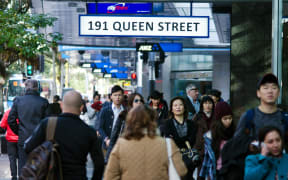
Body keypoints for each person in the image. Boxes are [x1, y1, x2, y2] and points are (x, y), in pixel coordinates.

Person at [24, 90, 105, 180]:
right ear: (81, 107)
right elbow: (99, 164)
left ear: (61, 105)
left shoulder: (48, 124)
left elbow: (28, 147)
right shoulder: (89, 131)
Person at [104, 105, 187, 180]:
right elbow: (181, 171)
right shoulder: (167, 144)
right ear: (153, 121)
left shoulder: (121, 144)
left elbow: (110, 176)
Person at [234, 73, 288, 150]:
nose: (270, 91)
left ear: (279, 93)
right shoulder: (249, 116)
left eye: (274, 87)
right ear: (258, 93)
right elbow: (236, 143)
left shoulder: (285, 118)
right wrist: (250, 146)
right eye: (265, 88)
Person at [8, 79, 49, 173]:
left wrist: (18, 131)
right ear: (37, 88)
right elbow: (48, 121)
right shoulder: (43, 102)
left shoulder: (18, 100)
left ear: (26, 88)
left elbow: (11, 119)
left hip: (23, 139)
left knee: (23, 168)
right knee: (39, 169)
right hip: (39, 141)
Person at [162, 96, 198, 180]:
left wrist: (176, 139)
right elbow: (169, 141)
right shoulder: (167, 124)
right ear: (171, 109)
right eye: (175, 105)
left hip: (189, 158)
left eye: (180, 105)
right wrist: (184, 140)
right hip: (173, 158)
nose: (178, 107)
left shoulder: (191, 124)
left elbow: (192, 140)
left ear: (184, 108)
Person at [105, 93, 144, 163]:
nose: (139, 103)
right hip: (124, 153)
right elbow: (114, 137)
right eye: (136, 101)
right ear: (131, 103)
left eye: (140, 101)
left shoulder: (146, 118)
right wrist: (108, 157)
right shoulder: (123, 115)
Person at [199, 101, 235, 180]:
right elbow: (207, 158)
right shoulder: (210, 136)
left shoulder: (235, 134)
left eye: (230, 118)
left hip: (232, 172)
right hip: (216, 172)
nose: (228, 121)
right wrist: (202, 176)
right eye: (225, 119)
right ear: (219, 119)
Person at [193, 96, 215, 174]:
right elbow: (193, 132)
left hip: (213, 147)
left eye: (210, 103)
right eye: (205, 103)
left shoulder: (216, 116)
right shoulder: (197, 117)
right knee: (201, 173)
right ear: (202, 105)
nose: (208, 105)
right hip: (201, 148)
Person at [1, 109, 19, 180]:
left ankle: (14, 176)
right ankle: (22, 174)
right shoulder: (23, 111)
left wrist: (7, 128)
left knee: (12, 158)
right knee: (22, 157)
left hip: (10, 139)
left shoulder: (8, 112)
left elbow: (2, 124)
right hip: (21, 138)